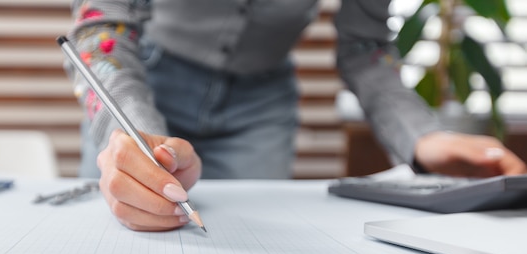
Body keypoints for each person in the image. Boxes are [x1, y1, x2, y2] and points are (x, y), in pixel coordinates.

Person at [66, 0, 527, 231]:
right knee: (125, 228)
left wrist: (423, 137)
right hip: (141, 83)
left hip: (260, 107)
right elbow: (103, 24)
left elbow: (365, 46)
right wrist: (127, 123)